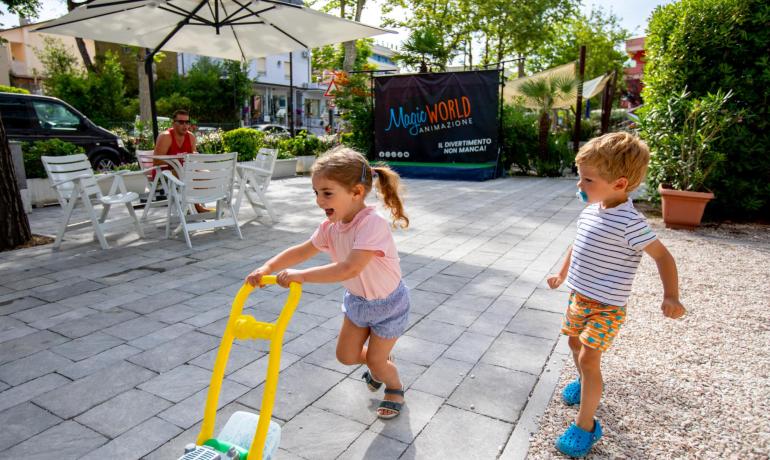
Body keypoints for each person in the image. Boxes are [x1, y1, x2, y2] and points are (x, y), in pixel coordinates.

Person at [546, 132, 686, 458]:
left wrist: (672, 296)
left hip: (606, 307)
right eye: (581, 178)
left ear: (619, 183)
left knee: (588, 358)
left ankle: (585, 427)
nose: (579, 186)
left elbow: (663, 256)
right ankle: (584, 386)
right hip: (579, 297)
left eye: (587, 180)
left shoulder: (631, 223)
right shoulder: (591, 211)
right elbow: (577, 243)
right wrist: (562, 273)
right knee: (573, 343)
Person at [245, 146, 410, 419]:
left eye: (327, 193)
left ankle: (394, 386)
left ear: (356, 192)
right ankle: (379, 362)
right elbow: (302, 250)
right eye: (316, 193)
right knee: (345, 356)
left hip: (389, 305)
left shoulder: (371, 224)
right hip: (358, 303)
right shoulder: (330, 228)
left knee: (376, 361)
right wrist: (268, 268)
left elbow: (349, 268)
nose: (319, 201)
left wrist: (301, 276)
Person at [154, 109, 210, 213]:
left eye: (187, 122)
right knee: (187, 174)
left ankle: (199, 205)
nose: (185, 125)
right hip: (166, 174)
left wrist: (195, 158)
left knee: (208, 175)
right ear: (173, 123)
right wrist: (178, 161)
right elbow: (156, 161)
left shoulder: (191, 137)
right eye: (181, 122)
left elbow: (193, 160)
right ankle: (197, 207)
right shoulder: (166, 136)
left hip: (185, 172)